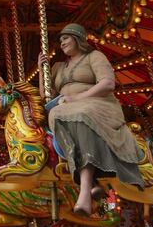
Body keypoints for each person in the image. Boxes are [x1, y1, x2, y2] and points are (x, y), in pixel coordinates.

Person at [39, 23, 144, 217]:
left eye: (66, 38)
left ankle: (87, 191)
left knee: (81, 113)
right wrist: (41, 70)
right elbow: (46, 96)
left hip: (97, 104)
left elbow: (107, 83)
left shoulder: (94, 57)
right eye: (60, 40)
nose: (61, 43)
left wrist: (79, 98)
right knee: (54, 114)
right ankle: (98, 193)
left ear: (77, 38)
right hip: (64, 109)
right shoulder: (58, 67)